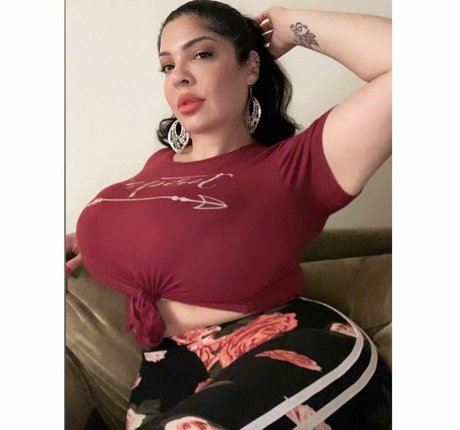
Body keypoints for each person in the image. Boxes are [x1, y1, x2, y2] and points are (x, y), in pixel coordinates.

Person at [66, 1, 391, 428]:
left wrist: (288, 25)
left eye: (201, 54)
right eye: (167, 65)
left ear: (250, 66)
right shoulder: (157, 167)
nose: (179, 75)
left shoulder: (294, 166)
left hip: (293, 343)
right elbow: (171, 234)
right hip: (170, 364)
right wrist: (92, 241)